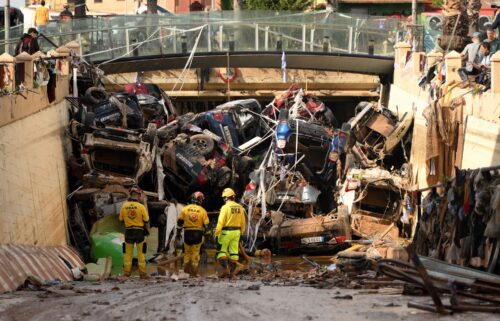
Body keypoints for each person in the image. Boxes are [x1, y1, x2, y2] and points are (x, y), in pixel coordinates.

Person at [119, 186, 150, 279]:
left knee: (128, 254)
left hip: (128, 232)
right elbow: (146, 220)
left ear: (131, 195)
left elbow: (120, 219)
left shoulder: (124, 206)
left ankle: (127, 273)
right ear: (139, 196)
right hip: (139, 232)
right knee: (141, 254)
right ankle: (143, 274)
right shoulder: (141, 206)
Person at [215, 188, 246, 278]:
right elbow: (243, 222)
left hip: (226, 232)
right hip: (237, 232)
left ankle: (226, 270)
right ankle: (232, 273)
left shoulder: (225, 207)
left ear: (225, 198)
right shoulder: (240, 207)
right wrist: (242, 233)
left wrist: (217, 233)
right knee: (234, 253)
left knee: (220, 252)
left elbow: (220, 222)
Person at [176, 191, 209, 277]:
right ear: (199, 200)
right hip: (198, 234)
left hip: (187, 233)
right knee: (195, 254)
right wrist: (206, 235)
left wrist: (178, 233)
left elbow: (179, 222)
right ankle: (194, 273)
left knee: (187, 253)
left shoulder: (185, 209)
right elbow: (206, 226)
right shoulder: (203, 210)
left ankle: (186, 271)